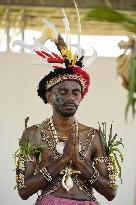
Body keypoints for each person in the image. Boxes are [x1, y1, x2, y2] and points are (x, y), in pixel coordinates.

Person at [14, 5, 119, 205]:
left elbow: (111, 192)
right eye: (63, 92)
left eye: (76, 92)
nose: (71, 96)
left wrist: (79, 162)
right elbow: (23, 190)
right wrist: (61, 161)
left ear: (81, 97)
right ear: (49, 96)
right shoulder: (32, 135)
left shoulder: (94, 136)